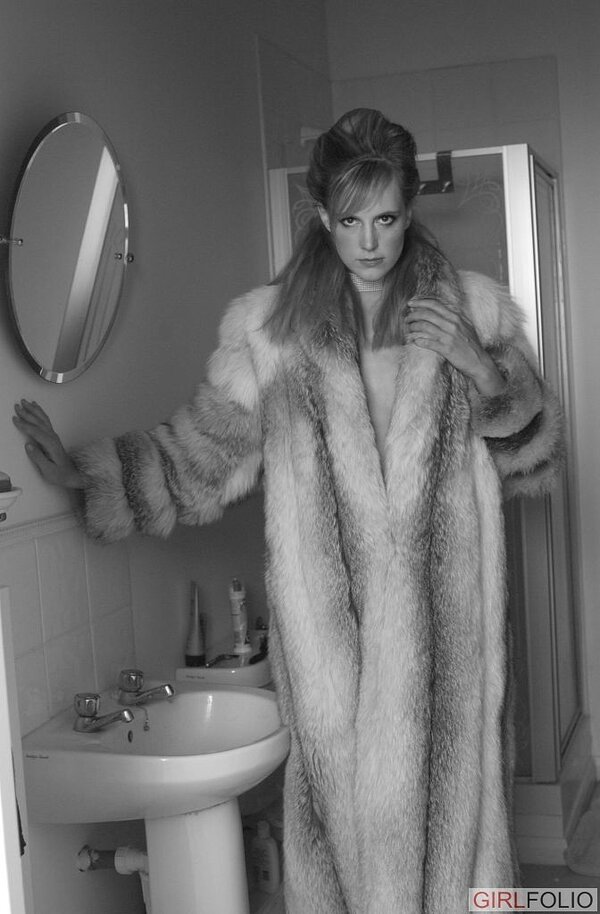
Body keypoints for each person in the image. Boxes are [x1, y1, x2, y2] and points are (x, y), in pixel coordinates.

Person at [13, 108, 563, 914]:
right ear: (321, 215)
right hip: (331, 646)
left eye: (386, 219)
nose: (370, 243)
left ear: (410, 211)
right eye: (351, 220)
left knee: (456, 857)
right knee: (347, 856)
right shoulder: (272, 334)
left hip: (448, 642)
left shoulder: (474, 316)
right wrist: (86, 477)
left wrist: (478, 367)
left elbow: (536, 459)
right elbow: (201, 458)